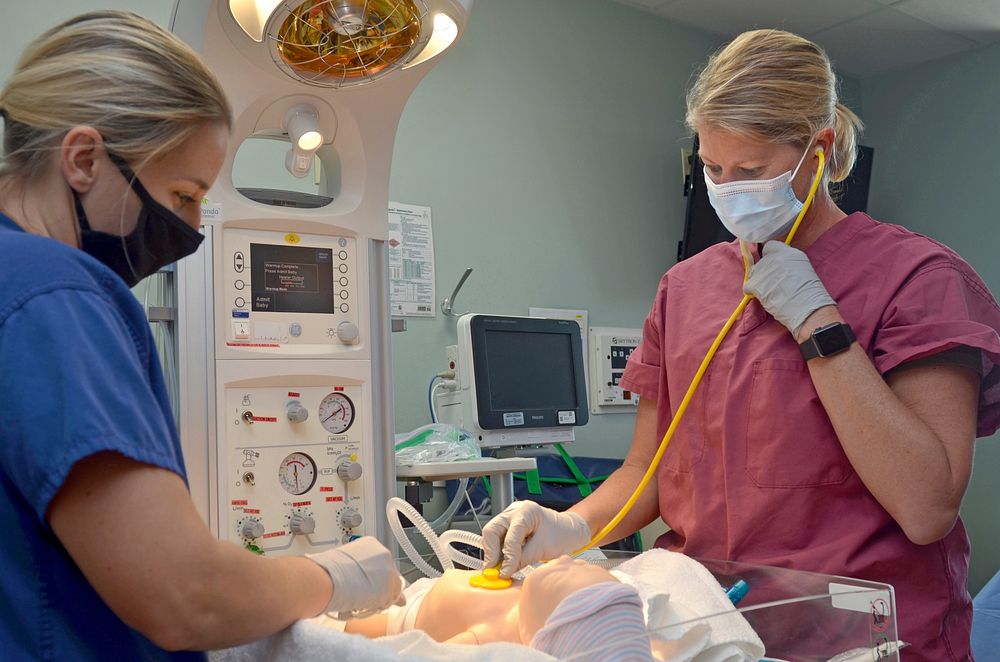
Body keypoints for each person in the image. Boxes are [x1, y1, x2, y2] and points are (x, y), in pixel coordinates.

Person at [482, 29, 1000, 661]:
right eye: (712, 168)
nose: (727, 188)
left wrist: (820, 325)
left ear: (820, 149)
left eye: (751, 171)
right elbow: (648, 468)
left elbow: (926, 508)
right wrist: (572, 527)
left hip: (862, 637)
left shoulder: (920, 280)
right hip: (707, 627)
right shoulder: (686, 287)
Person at [0, 11, 402, 660]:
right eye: (184, 195)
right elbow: (188, 597)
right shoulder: (55, 294)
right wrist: (337, 574)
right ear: (82, 159)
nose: (189, 230)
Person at [341, 555, 653, 660]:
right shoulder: (534, 602)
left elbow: (422, 655)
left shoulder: (493, 641)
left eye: (568, 570)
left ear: (538, 632)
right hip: (428, 586)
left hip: (405, 614)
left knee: (341, 629)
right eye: (584, 563)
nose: (571, 558)